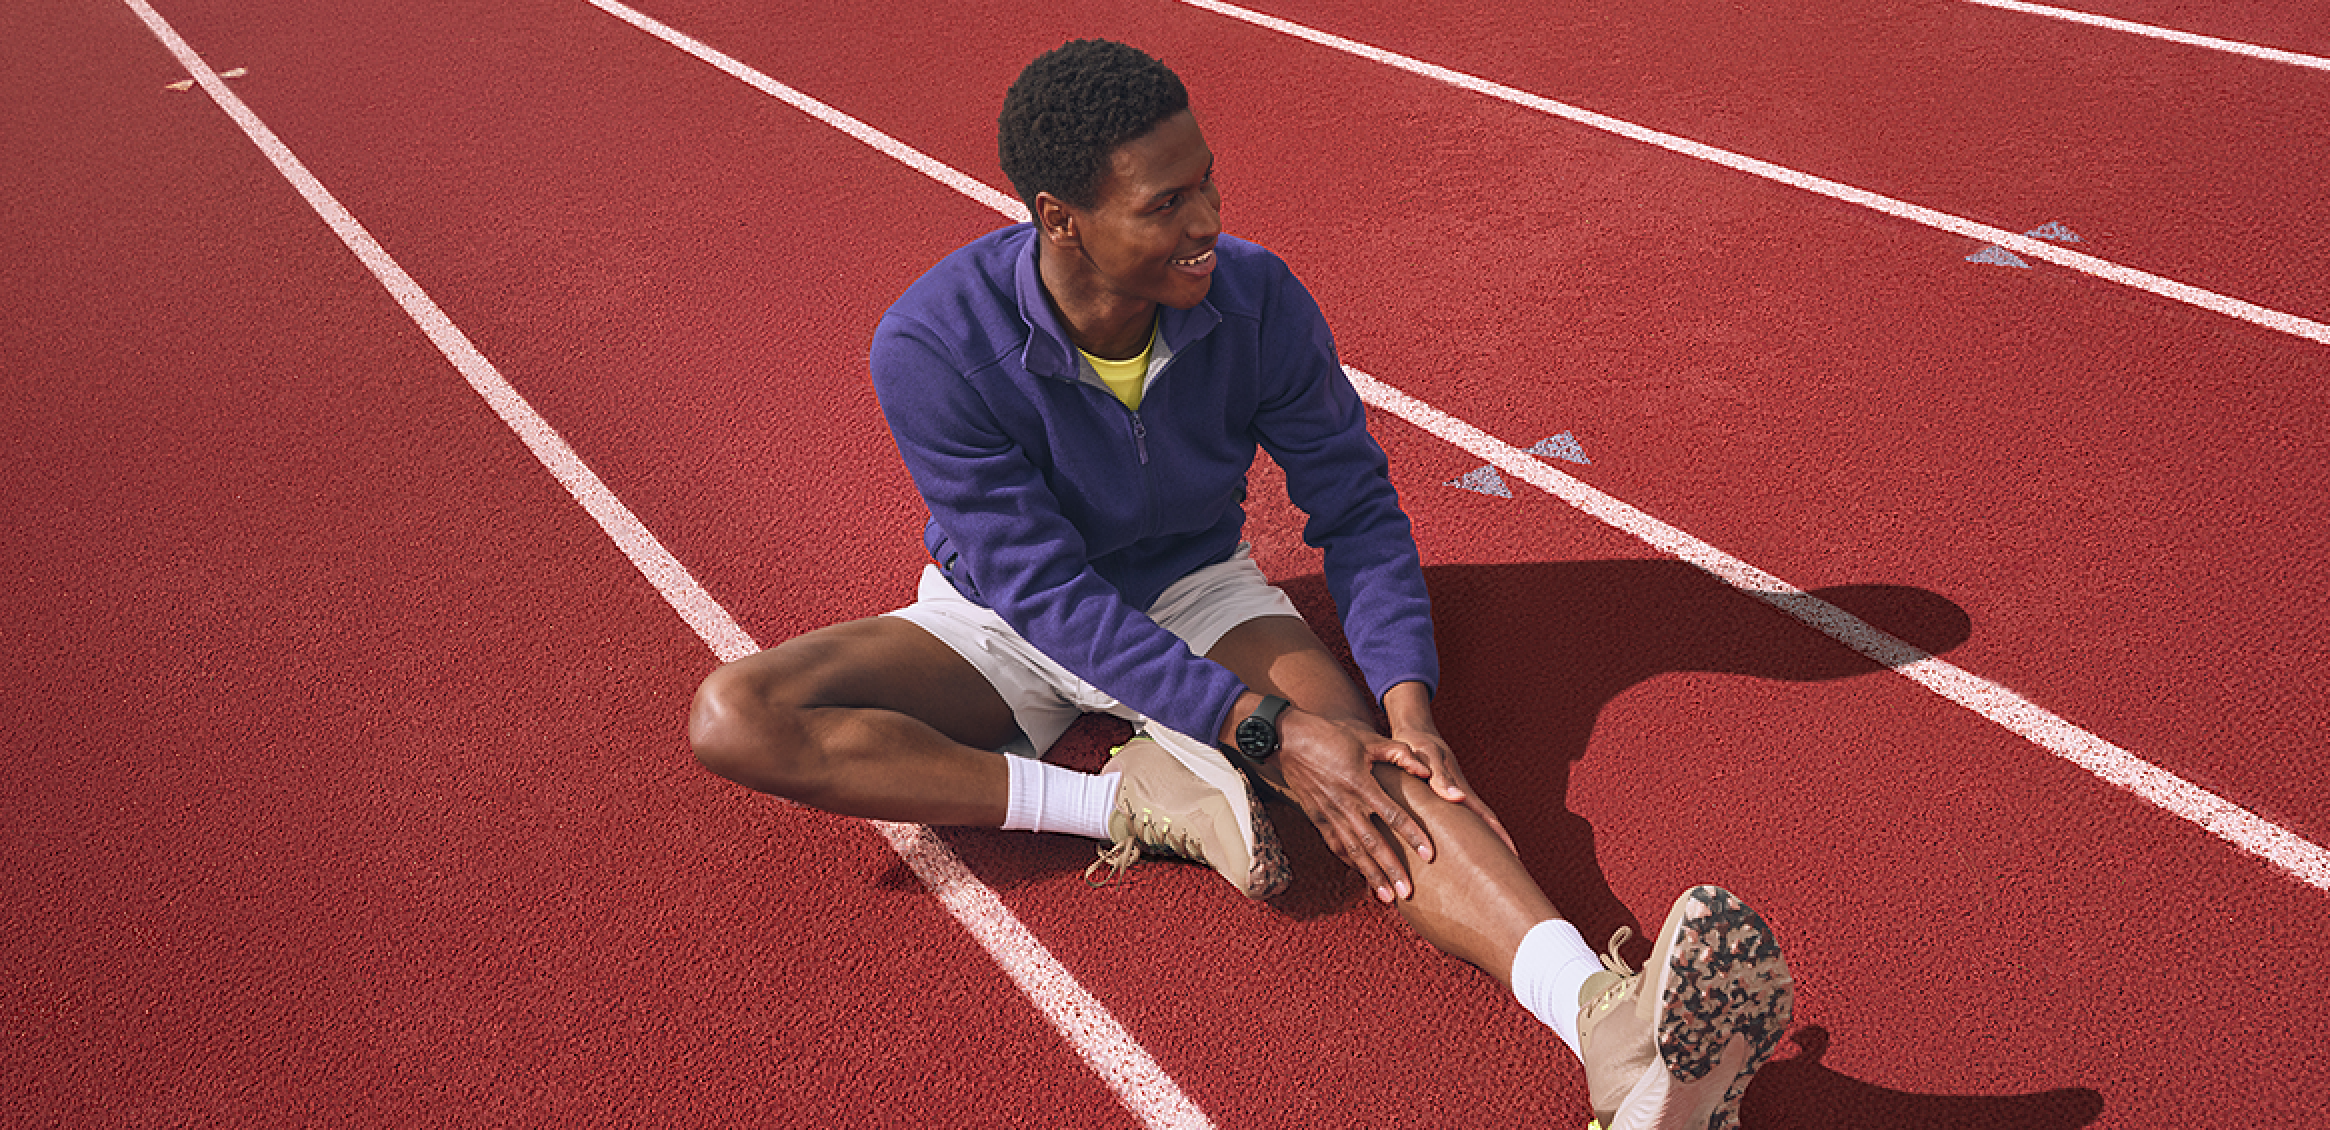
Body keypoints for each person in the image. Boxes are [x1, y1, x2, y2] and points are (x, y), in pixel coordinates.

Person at [687, 38, 1793, 1130]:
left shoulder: (1254, 298)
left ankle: (1610, 1028)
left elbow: (1353, 509)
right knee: (736, 714)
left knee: (1372, 763)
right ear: (1058, 217)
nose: (1207, 220)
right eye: (1163, 204)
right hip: (1007, 612)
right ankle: (1125, 804)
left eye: (1205, 179)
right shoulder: (930, 343)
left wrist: (1406, 698)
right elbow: (1044, 590)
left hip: (1192, 589)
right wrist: (1257, 728)